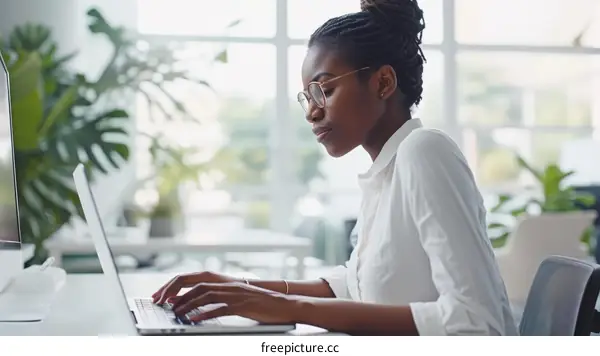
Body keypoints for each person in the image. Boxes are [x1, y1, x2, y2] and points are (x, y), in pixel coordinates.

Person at [152, 0, 518, 336]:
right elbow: (352, 285)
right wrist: (239, 288)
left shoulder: (425, 152)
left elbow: (476, 321)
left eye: (324, 90)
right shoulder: (386, 171)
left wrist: (289, 307)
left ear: (384, 82)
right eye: (308, 97)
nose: (312, 111)